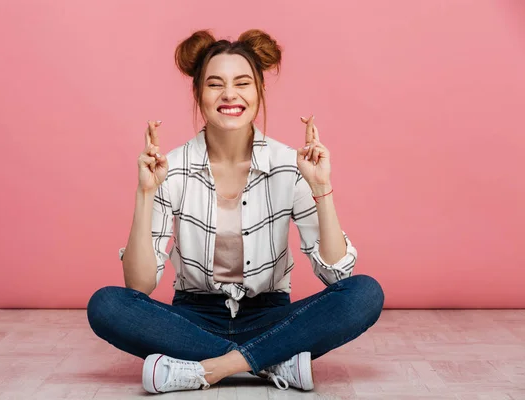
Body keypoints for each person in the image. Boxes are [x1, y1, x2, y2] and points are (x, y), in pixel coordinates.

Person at [87, 29, 384, 394]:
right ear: (199, 94)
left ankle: (210, 369)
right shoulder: (172, 167)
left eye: (242, 83)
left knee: (365, 292)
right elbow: (140, 285)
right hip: (193, 318)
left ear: (259, 93)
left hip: (270, 315)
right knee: (106, 305)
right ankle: (269, 362)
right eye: (215, 84)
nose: (229, 94)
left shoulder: (290, 165)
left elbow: (338, 277)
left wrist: (321, 187)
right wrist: (145, 192)